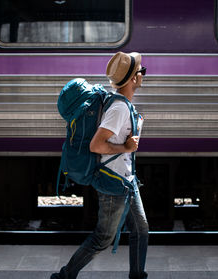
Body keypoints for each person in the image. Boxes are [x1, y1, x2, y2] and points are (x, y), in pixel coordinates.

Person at [51, 52, 149, 279]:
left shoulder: (121, 104)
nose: (144, 74)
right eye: (141, 71)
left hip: (126, 180)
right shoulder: (119, 109)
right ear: (133, 79)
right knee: (103, 238)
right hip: (113, 182)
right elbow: (96, 145)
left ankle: (137, 276)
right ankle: (65, 276)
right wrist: (125, 148)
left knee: (141, 230)